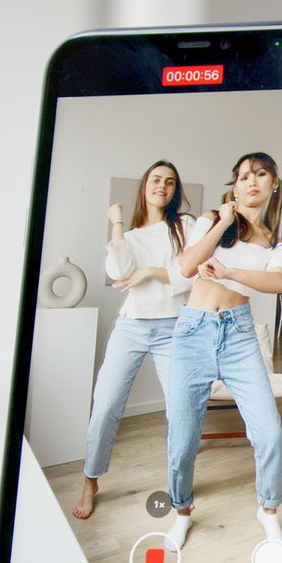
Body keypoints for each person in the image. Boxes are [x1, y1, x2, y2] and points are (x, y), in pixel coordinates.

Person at [163, 152, 282, 552]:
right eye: (242, 176)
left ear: (273, 183)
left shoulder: (274, 242)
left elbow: (278, 283)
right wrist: (222, 221)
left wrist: (231, 272)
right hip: (192, 333)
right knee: (182, 440)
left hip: (238, 336)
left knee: (269, 433)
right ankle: (182, 513)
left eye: (260, 174)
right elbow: (186, 267)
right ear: (233, 186)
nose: (250, 181)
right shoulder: (211, 220)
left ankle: (268, 513)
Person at [73, 160, 194, 519]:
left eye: (170, 182)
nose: (163, 186)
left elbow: (188, 276)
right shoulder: (129, 236)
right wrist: (116, 223)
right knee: (106, 405)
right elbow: (117, 272)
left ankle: (180, 486)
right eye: (156, 180)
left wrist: (151, 273)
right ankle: (90, 481)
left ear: (175, 190)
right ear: (145, 186)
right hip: (131, 327)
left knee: (180, 411)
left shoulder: (184, 226)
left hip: (173, 328)